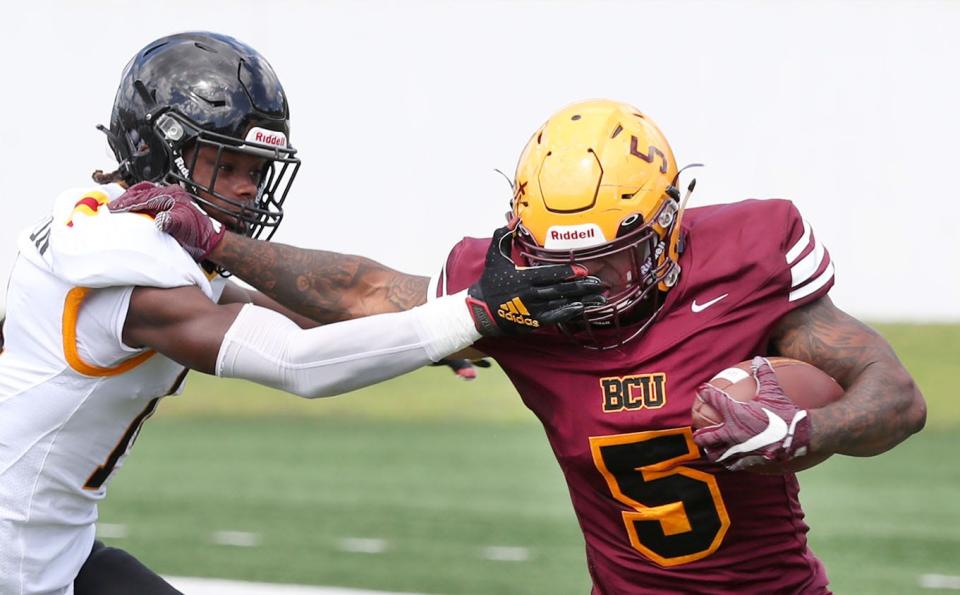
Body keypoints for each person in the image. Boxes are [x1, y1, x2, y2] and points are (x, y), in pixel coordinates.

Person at [138, 99, 926, 593]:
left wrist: (803, 430)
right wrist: (216, 243)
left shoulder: (746, 255)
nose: (582, 277)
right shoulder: (516, 290)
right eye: (556, 254)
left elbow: (896, 395)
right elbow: (363, 291)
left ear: (667, 225)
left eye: (611, 254)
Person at [0, 34, 604, 595]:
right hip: (18, 559)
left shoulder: (129, 222)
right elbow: (296, 361)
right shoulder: (136, 275)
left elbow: (288, 317)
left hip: (56, 543)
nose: (246, 189)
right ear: (158, 150)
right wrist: (469, 315)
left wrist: (424, 339)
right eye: (226, 165)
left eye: (256, 171)